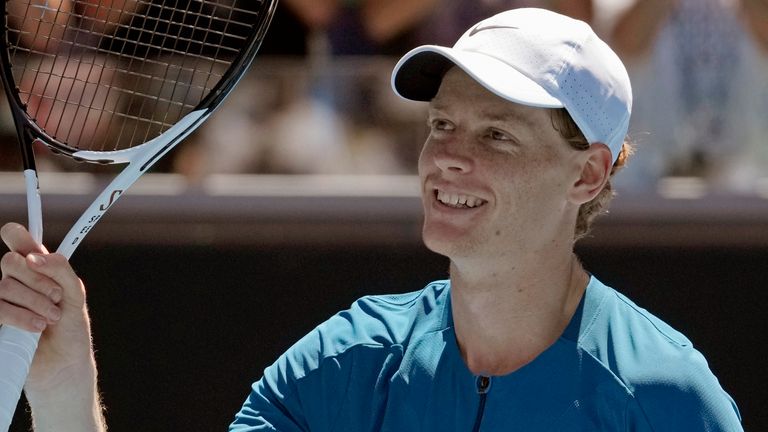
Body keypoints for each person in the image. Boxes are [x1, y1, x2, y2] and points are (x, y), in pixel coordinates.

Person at [0, 8, 743, 431]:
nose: (448, 157)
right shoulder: (344, 363)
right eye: (443, 125)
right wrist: (66, 391)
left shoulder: (666, 396)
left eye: (495, 135)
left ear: (587, 174)